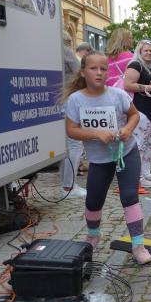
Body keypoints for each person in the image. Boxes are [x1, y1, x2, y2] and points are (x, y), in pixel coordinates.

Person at [63, 51, 151, 264]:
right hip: (99, 160)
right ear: (83, 72)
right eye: (93, 68)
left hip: (126, 153)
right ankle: (93, 236)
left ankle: (138, 245)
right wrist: (96, 134)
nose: (99, 72)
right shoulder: (75, 100)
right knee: (93, 200)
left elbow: (134, 115)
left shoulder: (117, 95)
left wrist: (128, 130)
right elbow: (71, 130)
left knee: (129, 196)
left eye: (103, 69)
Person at [123, 40, 151, 190]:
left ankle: (146, 173)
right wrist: (148, 87)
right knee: (139, 145)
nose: (149, 53)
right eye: (145, 50)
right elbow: (127, 84)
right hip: (140, 111)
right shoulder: (136, 65)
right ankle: (138, 177)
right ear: (140, 52)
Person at [60, 31, 85, 198]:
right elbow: (80, 72)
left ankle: (66, 183)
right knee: (74, 145)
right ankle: (69, 185)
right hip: (69, 100)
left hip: (59, 100)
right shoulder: (65, 51)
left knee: (66, 146)